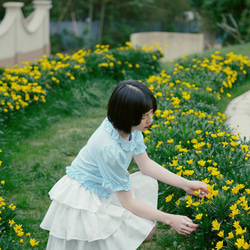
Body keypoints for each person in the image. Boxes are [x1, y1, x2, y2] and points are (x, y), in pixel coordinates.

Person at [40, 79, 209, 250]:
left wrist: (186, 184)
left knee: (147, 185)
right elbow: (128, 202)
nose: (150, 120)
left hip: (105, 186)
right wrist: (170, 219)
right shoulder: (109, 148)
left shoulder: (129, 128)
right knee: (113, 237)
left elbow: (146, 165)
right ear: (127, 115)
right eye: (144, 116)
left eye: (151, 112)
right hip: (85, 196)